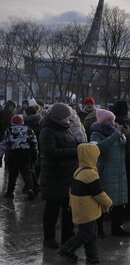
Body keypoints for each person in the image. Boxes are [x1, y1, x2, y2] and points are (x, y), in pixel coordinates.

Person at [57, 143, 112, 263]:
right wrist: (108, 203)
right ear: (91, 156)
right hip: (86, 211)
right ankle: (67, 249)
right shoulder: (90, 174)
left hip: (80, 208)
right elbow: (98, 193)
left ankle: (92, 256)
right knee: (85, 233)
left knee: (91, 233)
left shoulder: (79, 170)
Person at [90, 108, 130, 237]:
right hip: (105, 173)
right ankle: (99, 229)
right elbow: (99, 149)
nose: (111, 122)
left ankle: (117, 228)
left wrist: (129, 134)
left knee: (119, 202)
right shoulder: (96, 133)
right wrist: (116, 135)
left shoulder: (117, 132)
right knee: (102, 203)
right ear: (101, 121)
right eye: (107, 119)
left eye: (112, 119)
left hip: (120, 173)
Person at [39, 103, 78, 249]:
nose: (69, 119)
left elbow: (72, 144)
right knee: (52, 210)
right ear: (59, 117)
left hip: (68, 176)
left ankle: (68, 235)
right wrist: (75, 151)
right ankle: (49, 238)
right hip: (53, 176)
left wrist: (82, 146)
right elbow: (50, 152)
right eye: (67, 116)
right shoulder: (47, 131)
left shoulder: (66, 128)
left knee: (68, 209)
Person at [111, 100, 130, 221]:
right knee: (128, 186)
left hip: (114, 158)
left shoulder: (113, 122)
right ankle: (127, 212)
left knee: (113, 185)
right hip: (129, 160)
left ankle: (113, 212)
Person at [0, 114, 38, 199]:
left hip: (13, 154)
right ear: (22, 121)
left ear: (12, 122)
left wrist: (0, 154)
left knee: (12, 175)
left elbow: (4, 143)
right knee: (27, 173)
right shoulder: (29, 129)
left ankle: (10, 192)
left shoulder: (9, 130)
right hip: (25, 154)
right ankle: (30, 189)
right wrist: (35, 153)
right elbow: (34, 142)